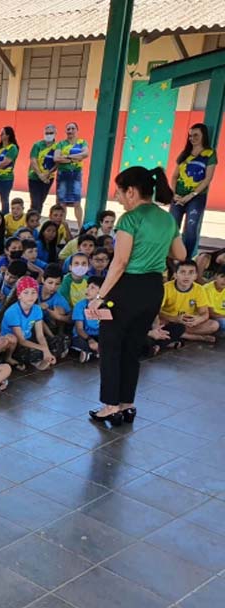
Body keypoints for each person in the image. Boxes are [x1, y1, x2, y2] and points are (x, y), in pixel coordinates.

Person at [85, 166, 186, 426]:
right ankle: (127, 404)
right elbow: (181, 255)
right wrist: (155, 248)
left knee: (111, 346)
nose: (117, 198)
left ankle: (110, 405)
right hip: (153, 288)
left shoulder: (129, 219)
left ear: (131, 191)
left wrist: (99, 297)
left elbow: (119, 263)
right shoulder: (167, 219)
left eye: (119, 192)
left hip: (127, 288)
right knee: (132, 348)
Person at [170, 123, 217, 258]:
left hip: (196, 197)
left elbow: (208, 178)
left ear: (203, 136)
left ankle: (186, 259)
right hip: (178, 196)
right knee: (172, 228)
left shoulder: (210, 154)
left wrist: (192, 195)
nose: (192, 138)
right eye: (190, 135)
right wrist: (174, 194)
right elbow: (174, 176)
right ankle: (169, 258)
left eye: (196, 135)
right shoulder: (184, 154)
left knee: (191, 229)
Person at [54, 122, 90, 228]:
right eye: (68, 129)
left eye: (72, 128)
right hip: (63, 174)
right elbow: (56, 158)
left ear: (76, 130)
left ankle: (80, 227)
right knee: (62, 203)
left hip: (76, 175)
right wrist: (76, 158)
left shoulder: (82, 142)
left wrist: (67, 157)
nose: (70, 131)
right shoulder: (61, 143)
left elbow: (85, 154)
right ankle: (63, 227)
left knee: (77, 202)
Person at [28, 124, 58, 214]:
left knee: (41, 202)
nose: (48, 135)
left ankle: (36, 219)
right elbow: (33, 160)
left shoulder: (58, 147)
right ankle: (30, 221)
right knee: (35, 202)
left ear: (55, 133)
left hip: (48, 178)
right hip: (34, 176)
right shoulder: (37, 145)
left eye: (51, 133)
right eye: (47, 133)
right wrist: (40, 174)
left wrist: (47, 174)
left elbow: (57, 163)